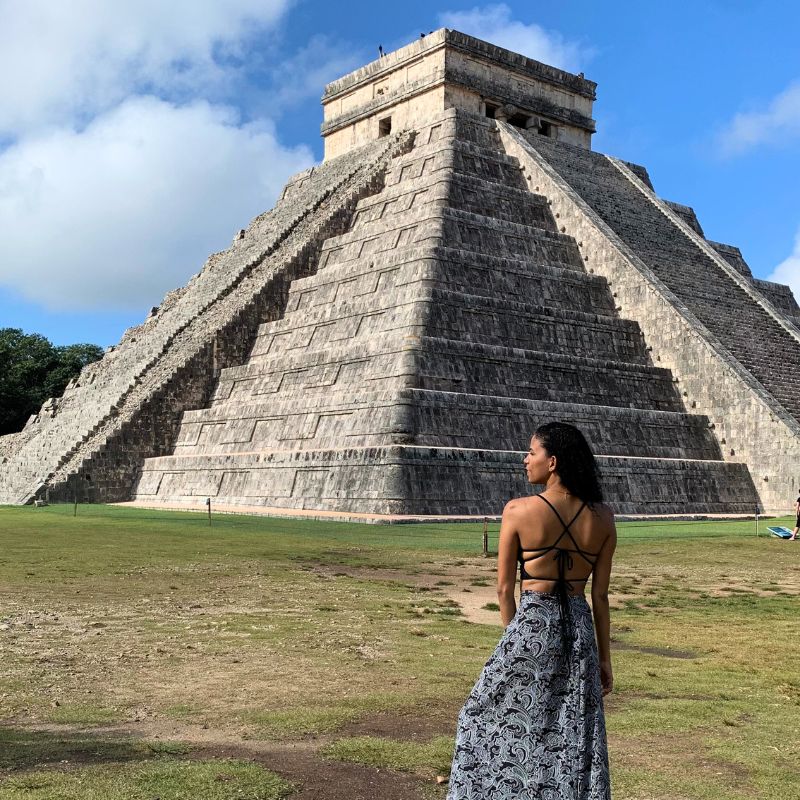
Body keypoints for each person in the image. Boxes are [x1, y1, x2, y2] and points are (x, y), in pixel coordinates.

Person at [447, 422, 616, 799]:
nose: (525, 460)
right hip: (580, 630)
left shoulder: (518, 510)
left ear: (552, 462)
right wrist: (605, 659)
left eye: (531, 452)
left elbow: (504, 588)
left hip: (532, 625)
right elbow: (601, 597)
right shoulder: (604, 518)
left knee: (483, 714)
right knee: (572, 729)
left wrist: (514, 639)